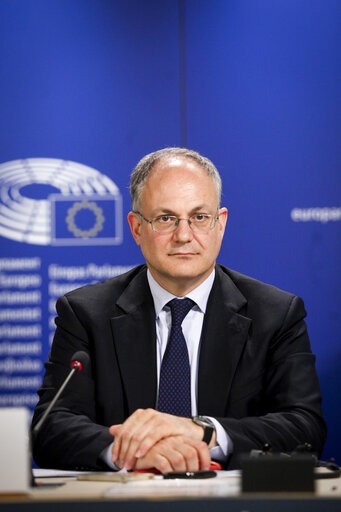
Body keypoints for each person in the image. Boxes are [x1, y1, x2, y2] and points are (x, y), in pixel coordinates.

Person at [32, 147, 326, 473]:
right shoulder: (86, 314)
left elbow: (305, 427)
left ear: (220, 224)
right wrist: (129, 452)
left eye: (199, 217)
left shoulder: (276, 315)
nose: (183, 235)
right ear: (137, 228)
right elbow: (50, 427)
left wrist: (204, 431)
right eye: (165, 218)